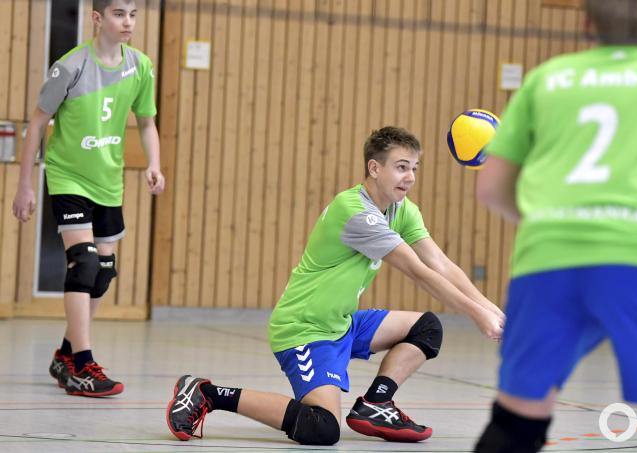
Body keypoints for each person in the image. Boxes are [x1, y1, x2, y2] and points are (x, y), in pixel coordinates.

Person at [473, 1, 637, 451]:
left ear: (585, 24)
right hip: (636, 257)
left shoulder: (546, 79)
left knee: (517, 420)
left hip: (546, 260)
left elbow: (491, 188)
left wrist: (550, 221)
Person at [166, 126, 504, 445]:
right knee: (321, 428)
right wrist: (476, 314)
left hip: (342, 323)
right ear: (374, 168)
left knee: (426, 327)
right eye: (401, 167)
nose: (410, 177)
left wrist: (491, 309)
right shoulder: (356, 212)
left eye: (415, 167)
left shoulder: (402, 209)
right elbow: (418, 271)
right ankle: (207, 393)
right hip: (305, 328)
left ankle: (376, 404)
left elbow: (440, 263)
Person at [12, 0, 164, 397]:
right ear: (97, 18)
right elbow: (37, 122)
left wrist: (154, 164)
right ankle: (82, 364)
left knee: (104, 272)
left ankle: (64, 355)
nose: (128, 22)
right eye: (118, 14)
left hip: (108, 181)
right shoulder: (71, 66)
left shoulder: (141, 66)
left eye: (133, 14)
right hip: (69, 178)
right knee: (84, 265)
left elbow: (147, 121)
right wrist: (25, 184)